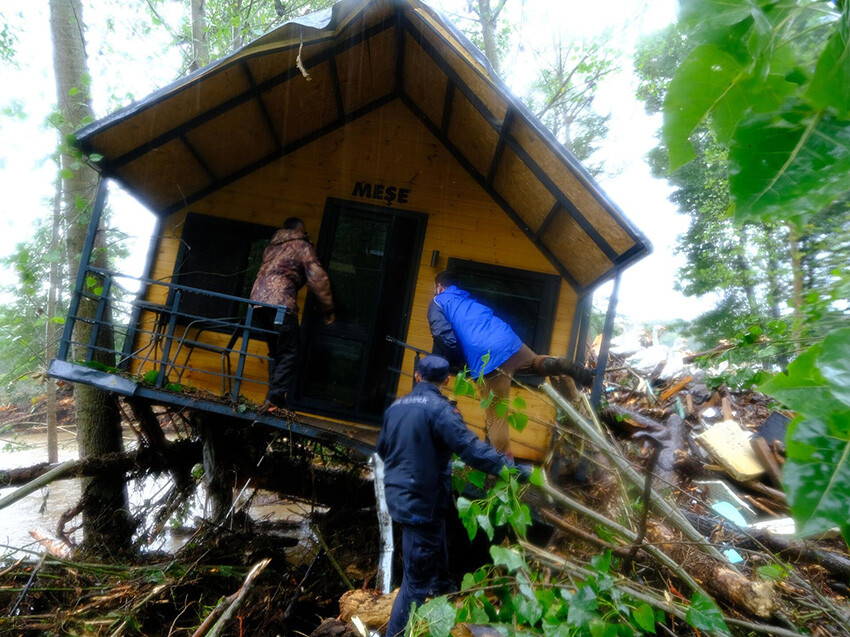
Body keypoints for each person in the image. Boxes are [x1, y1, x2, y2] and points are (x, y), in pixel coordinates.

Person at [377, 355, 524, 637]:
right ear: (447, 381)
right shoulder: (441, 411)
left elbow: (383, 450)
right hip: (421, 504)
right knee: (413, 585)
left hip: (399, 497)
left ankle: (442, 586)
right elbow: (472, 451)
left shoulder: (395, 407)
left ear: (417, 376)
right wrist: (515, 469)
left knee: (437, 531)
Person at [428, 271, 594, 454]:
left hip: (487, 358)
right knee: (534, 364)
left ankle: (505, 469)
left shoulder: (438, 302)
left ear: (440, 287)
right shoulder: (466, 300)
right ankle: (556, 363)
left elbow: (443, 336)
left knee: (496, 418)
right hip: (508, 339)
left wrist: (459, 360)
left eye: (435, 288)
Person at [250, 217, 334, 410]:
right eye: (303, 231)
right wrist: (328, 308)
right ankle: (275, 398)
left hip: (257, 303)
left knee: (276, 351)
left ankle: (273, 399)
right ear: (300, 229)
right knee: (290, 352)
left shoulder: (272, 247)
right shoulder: (301, 245)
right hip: (280, 304)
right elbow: (318, 278)